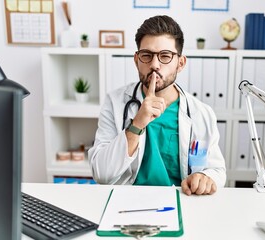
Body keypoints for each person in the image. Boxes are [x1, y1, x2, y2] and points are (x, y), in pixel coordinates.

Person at [88, 15, 226, 195]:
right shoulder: (115, 102)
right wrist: (136, 125)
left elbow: (217, 171)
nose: (154, 65)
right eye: (147, 56)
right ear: (137, 60)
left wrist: (205, 178)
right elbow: (101, 174)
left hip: (183, 201)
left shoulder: (202, 113)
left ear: (181, 63)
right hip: (128, 201)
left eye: (165, 56)